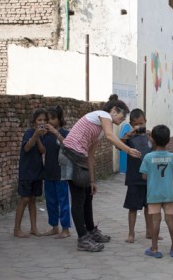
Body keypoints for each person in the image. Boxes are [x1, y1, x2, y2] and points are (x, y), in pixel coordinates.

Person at [60, 94, 142, 252]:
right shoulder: (103, 115)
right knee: (78, 198)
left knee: (88, 194)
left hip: (78, 157)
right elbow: (111, 137)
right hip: (70, 155)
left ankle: (91, 231)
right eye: (121, 116)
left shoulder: (99, 129)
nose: (122, 120)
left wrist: (92, 181)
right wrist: (128, 150)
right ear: (113, 110)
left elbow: (90, 156)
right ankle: (82, 239)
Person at [139, 125, 173, 258]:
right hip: (168, 194)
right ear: (168, 140)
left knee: (155, 221)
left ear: (153, 140)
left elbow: (144, 176)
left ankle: (154, 248)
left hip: (154, 194)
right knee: (170, 220)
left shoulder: (148, 157)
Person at [120, 109, 154, 243]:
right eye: (136, 124)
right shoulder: (130, 138)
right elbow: (119, 145)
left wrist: (153, 139)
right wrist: (129, 134)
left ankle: (150, 231)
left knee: (149, 207)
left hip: (149, 179)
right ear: (131, 124)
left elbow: (159, 149)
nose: (139, 127)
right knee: (133, 208)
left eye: (141, 123)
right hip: (134, 178)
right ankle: (131, 233)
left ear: (146, 121)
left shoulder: (150, 137)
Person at [14, 108, 48, 238]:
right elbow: (27, 147)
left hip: (37, 172)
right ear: (34, 122)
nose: (42, 122)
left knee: (33, 199)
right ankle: (16, 229)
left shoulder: (42, 136)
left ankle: (34, 228)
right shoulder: (28, 133)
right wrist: (35, 135)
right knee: (25, 199)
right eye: (39, 120)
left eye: (44, 120)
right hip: (26, 172)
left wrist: (39, 136)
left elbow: (42, 150)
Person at [41, 105, 71, 239]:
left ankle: (66, 229)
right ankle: (54, 227)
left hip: (61, 173)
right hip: (49, 171)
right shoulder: (45, 135)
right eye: (48, 119)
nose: (50, 121)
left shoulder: (64, 133)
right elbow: (42, 150)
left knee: (63, 201)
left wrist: (55, 132)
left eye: (53, 118)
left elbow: (68, 145)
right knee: (51, 201)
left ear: (59, 119)